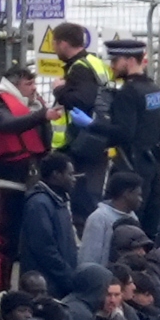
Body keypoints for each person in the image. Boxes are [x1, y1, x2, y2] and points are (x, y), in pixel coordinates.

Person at [71, 39, 160, 236]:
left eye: (115, 61)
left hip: (131, 166)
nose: (112, 66)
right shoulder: (154, 89)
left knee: (124, 224)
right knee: (149, 225)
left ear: (130, 60)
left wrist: (91, 124)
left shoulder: (128, 92)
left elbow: (124, 132)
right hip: (153, 166)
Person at [0, 65, 61, 296]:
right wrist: (40, 115)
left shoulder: (34, 104)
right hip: (4, 184)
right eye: (29, 84)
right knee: (4, 242)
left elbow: (44, 140)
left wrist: (42, 115)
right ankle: (1, 291)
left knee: (30, 242)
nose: (34, 88)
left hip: (30, 182)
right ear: (15, 85)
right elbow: (7, 124)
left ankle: (31, 290)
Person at [49, 22, 113, 231]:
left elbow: (81, 100)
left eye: (55, 44)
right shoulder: (93, 60)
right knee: (91, 196)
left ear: (64, 43)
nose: (54, 49)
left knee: (83, 201)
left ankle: (89, 250)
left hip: (83, 142)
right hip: (97, 138)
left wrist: (59, 90)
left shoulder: (78, 68)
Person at [19, 153, 79, 298]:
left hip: (58, 283)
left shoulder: (59, 201)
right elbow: (44, 248)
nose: (74, 179)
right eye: (70, 174)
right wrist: (67, 277)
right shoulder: (39, 204)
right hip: (45, 286)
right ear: (56, 175)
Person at [79, 172, 144, 266]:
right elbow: (89, 257)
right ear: (126, 194)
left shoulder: (133, 217)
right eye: (138, 195)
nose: (141, 199)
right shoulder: (99, 218)